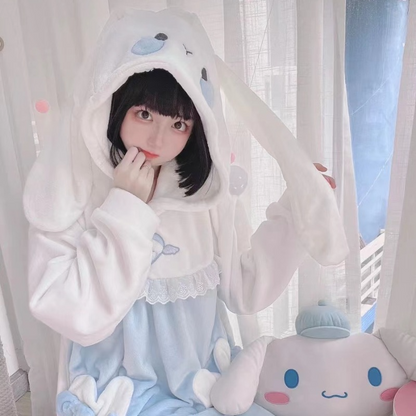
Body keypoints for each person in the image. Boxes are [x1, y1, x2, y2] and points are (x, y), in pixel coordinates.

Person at [23, 7, 345, 416]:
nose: (158, 139)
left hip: (202, 383)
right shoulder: (75, 190)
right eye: (144, 114)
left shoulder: (204, 196)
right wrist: (125, 208)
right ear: (112, 103)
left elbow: (244, 289)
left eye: (179, 124)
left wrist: (296, 212)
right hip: (117, 391)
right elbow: (70, 310)